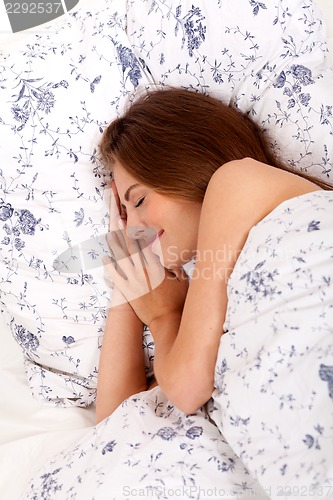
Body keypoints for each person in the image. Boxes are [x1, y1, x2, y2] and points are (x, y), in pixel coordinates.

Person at [95, 87, 333, 424]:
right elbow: (116, 429)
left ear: (184, 164)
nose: (133, 227)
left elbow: (187, 387)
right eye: (123, 214)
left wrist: (164, 317)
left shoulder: (237, 181)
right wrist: (126, 271)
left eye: (139, 201)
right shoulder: (217, 285)